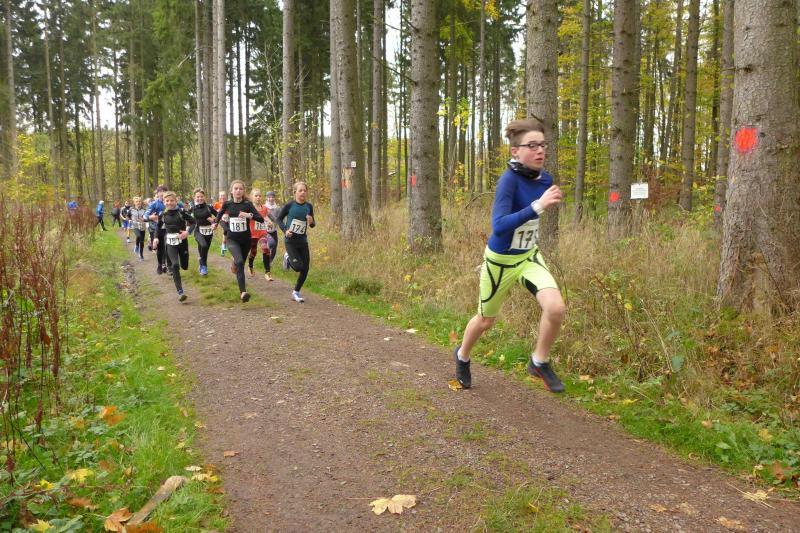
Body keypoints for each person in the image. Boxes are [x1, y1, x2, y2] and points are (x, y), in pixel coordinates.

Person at [453, 118, 566, 393]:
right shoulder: (508, 181)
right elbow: (500, 225)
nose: (540, 150)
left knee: (556, 308)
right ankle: (462, 355)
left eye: (542, 145)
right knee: (486, 321)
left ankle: (539, 361)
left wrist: (541, 205)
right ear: (515, 151)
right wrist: (537, 206)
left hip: (528, 257)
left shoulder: (545, 179)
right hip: (501, 262)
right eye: (532, 145)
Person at [213, 180, 265, 302]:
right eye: (235, 189)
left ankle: (234, 263)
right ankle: (243, 292)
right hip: (232, 239)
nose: (238, 191)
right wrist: (215, 223)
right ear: (231, 191)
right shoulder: (227, 204)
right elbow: (220, 214)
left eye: (240, 189)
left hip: (246, 240)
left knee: (239, 263)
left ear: (243, 191)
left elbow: (260, 219)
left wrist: (248, 215)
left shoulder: (248, 204)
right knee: (240, 262)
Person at [275, 181, 315, 303]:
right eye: (300, 190)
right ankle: (287, 257)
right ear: (295, 192)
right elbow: (279, 219)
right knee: (298, 267)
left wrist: (311, 221)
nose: (303, 192)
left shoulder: (309, 206)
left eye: (305, 190)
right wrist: (285, 230)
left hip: (303, 241)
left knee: (305, 269)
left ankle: (296, 292)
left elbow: (312, 224)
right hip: (290, 241)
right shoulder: (290, 205)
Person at [162, 191, 195, 302]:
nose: (169, 203)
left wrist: (187, 232)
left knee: (184, 266)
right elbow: (158, 227)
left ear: (176, 201)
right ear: (164, 202)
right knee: (175, 265)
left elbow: (193, 222)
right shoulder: (163, 214)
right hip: (170, 243)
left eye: (172, 200)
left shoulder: (181, 212)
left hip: (182, 242)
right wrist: (156, 238)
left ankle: (178, 263)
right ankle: (180, 292)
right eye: (167, 201)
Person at [190, 188, 217, 276]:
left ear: (204, 197)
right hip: (198, 231)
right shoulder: (193, 208)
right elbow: (186, 217)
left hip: (209, 231)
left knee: (204, 250)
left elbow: (218, 216)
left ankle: (201, 263)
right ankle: (203, 265)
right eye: (197, 197)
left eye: (201, 196)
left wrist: (213, 221)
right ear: (194, 198)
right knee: (203, 245)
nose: (200, 198)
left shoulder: (209, 207)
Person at [247, 188, 272, 278]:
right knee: (253, 252)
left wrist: (269, 222)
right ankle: (250, 266)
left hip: (262, 233)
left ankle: (267, 272)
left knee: (265, 249)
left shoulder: (264, 208)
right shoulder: (249, 208)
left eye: (260, 196)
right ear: (251, 197)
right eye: (256, 196)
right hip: (252, 234)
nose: (258, 197)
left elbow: (265, 217)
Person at [145, 187, 168, 275]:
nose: (162, 193)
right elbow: (145, 216)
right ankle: (159, 264)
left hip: (168, 229)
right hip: (158, 229)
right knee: (160, 248)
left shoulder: (170, 201)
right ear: (157, 194)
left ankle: (165, 264)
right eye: (160, 192)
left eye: (164, 192)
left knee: (167, 245)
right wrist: (150, 217)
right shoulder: (154, 204)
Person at [263, 191, 280, 281]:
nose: (271, 199)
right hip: (265, 230)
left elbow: (279, 219)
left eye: (272, 197)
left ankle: (269, 261)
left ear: (274, 198)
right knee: (271, 244)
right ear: (266, 198)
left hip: (274, 230)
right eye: (269, 197)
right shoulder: (264, 207)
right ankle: (267, 262)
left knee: (274, 247)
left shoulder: (277, 208)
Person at [129, 197, 148, 261]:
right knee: (138, 236)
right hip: (135, 226)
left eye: (139, 201)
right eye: (136, 201)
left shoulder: (144, 210)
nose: (138, 203)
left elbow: (147, 218)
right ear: (134, 203)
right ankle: (137, 245)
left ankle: (141, 255)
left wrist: (145, 220)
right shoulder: (131, 209)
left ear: (141, 202)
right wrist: (129, 220)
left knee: (142, 241)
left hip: (142, 226)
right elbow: (127, 216)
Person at [213, 191, 228, 256]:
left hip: (229, 220)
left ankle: (224, 245)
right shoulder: (217, 204)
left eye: (224, 195)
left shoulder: (228, 203)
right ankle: (224, 245)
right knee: (226, 229)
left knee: (228, 231)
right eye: (221, 195)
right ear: (219, 197)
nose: (222, 197)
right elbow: (212, 211)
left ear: (226, 196)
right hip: (221, 220)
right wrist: (217, 211)